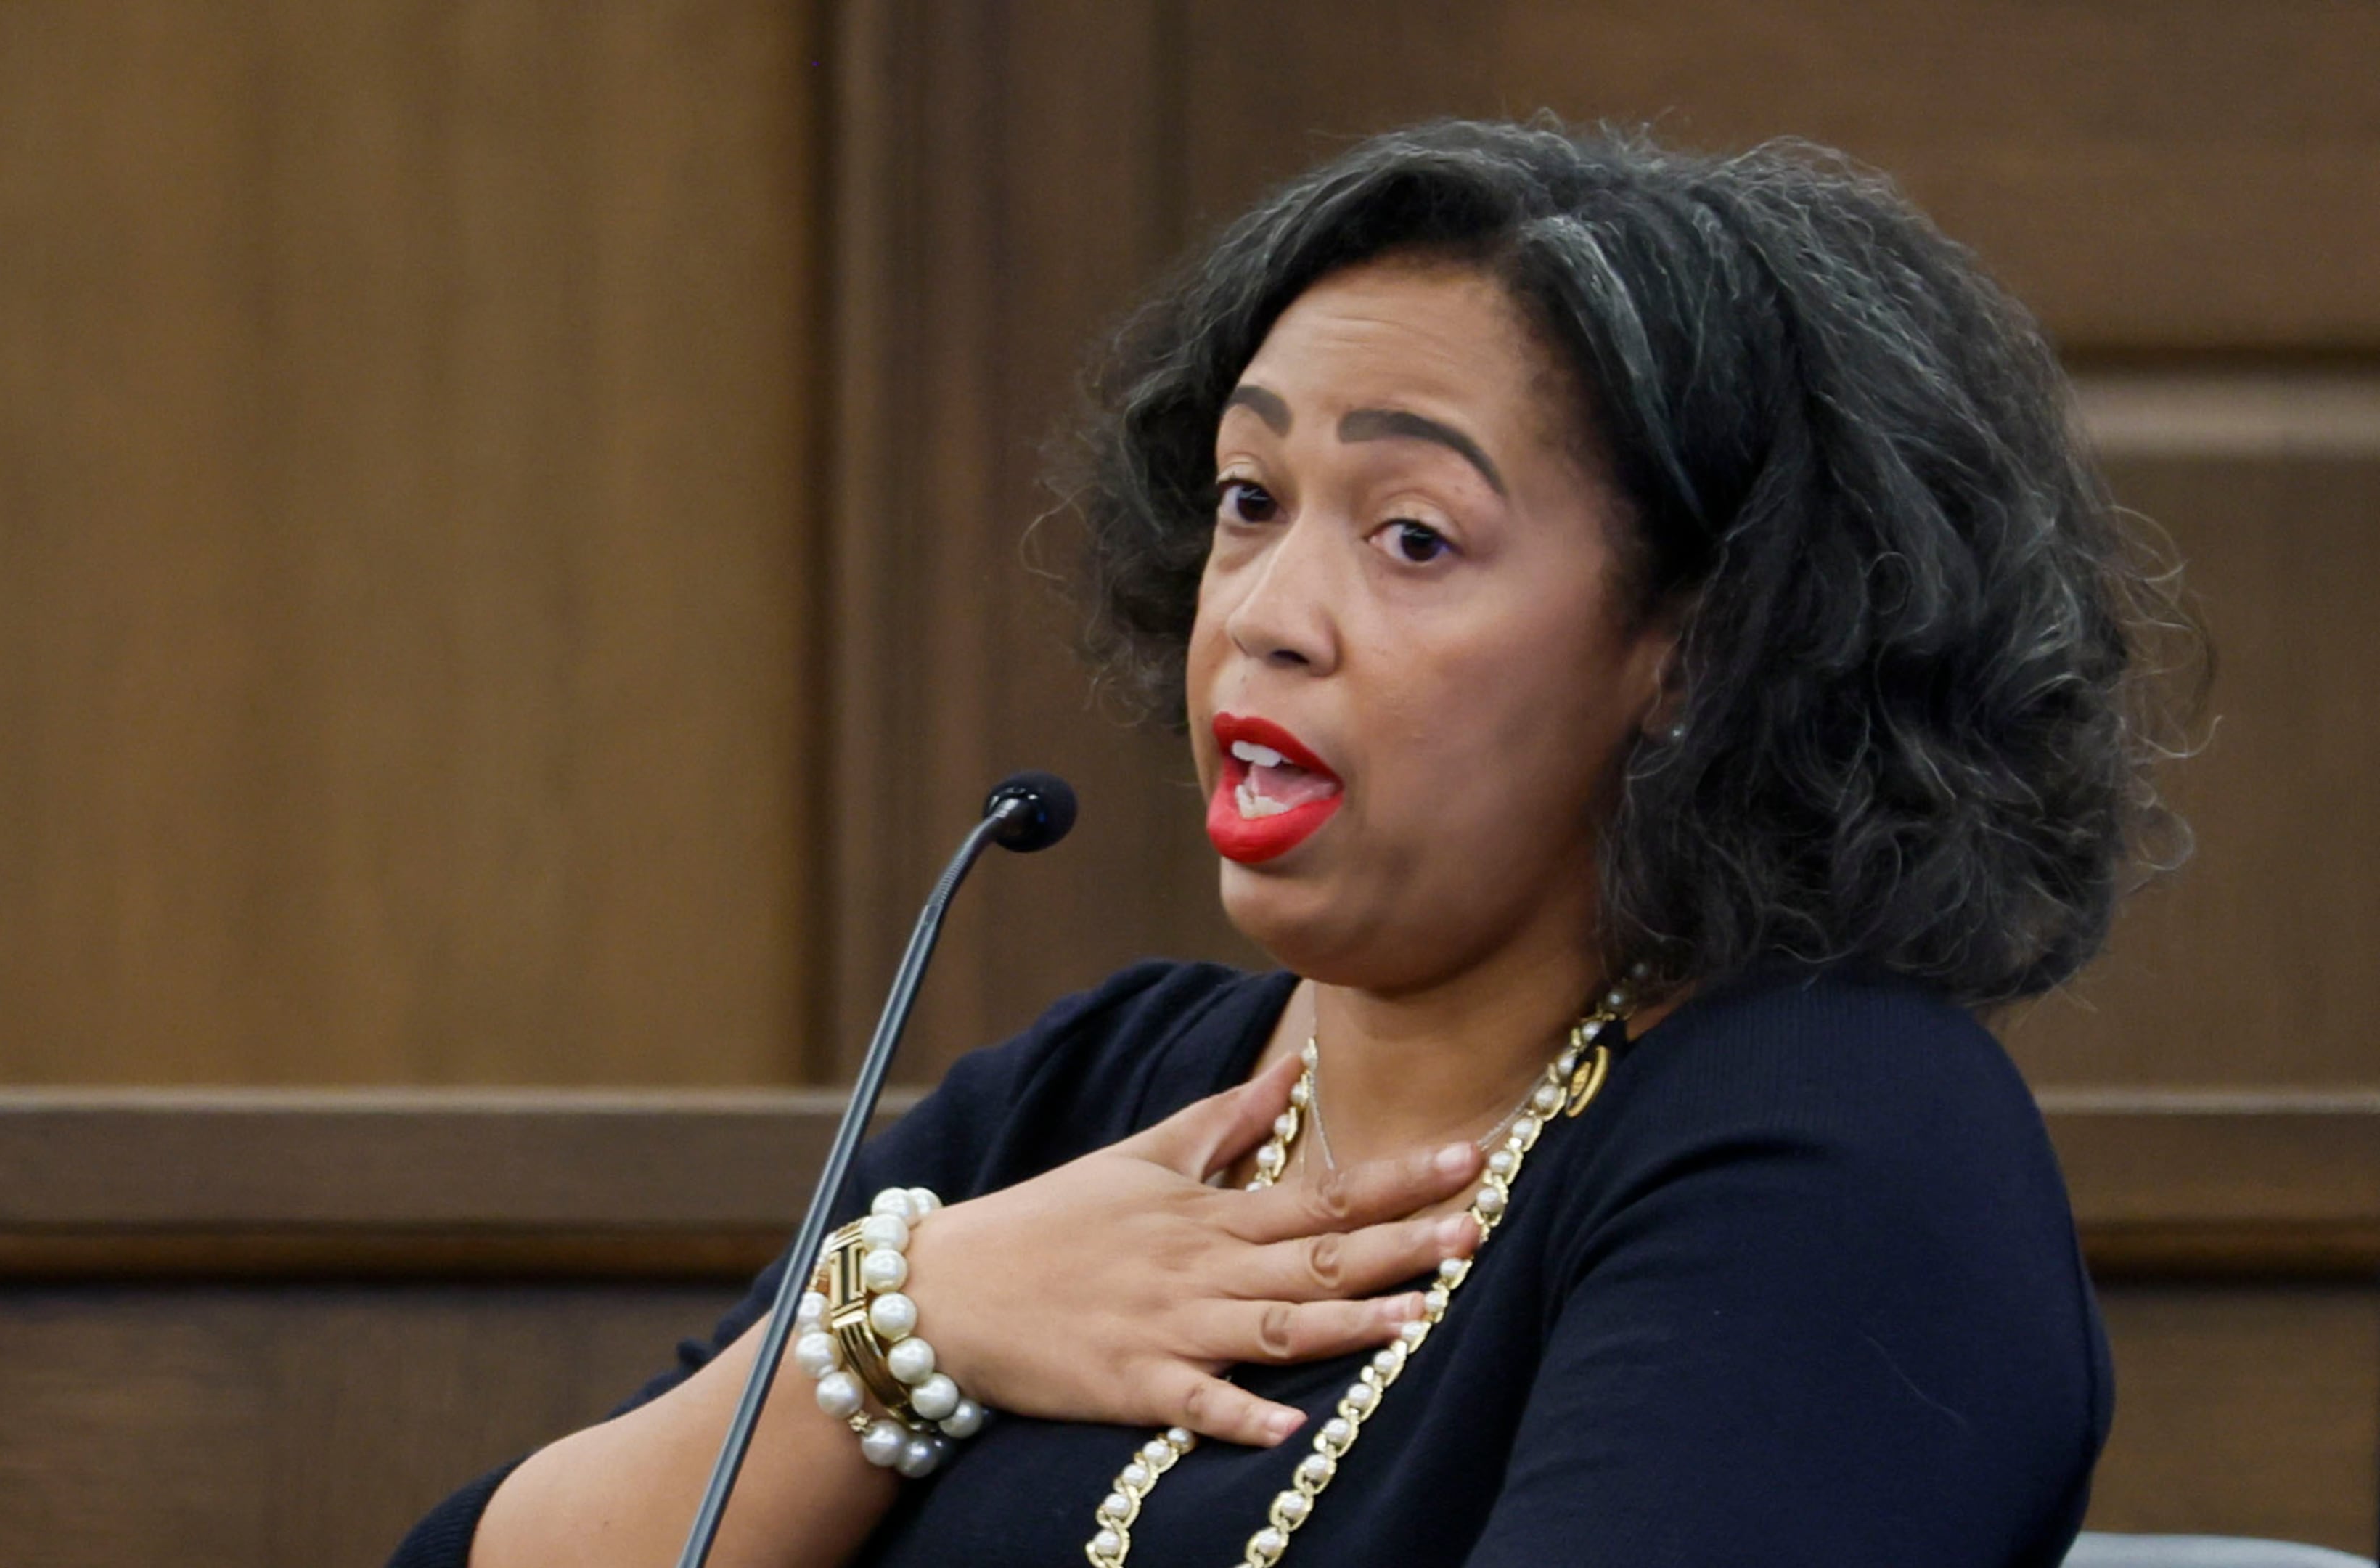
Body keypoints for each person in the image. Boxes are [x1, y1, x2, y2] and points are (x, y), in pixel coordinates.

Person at [392, 118, 2197, 1567]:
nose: (1264, 611)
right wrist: (911, 1322)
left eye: (1412, 535)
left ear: (1701, 646)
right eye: (1250, 504)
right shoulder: (1095, 1097)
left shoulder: (1837, 1145)